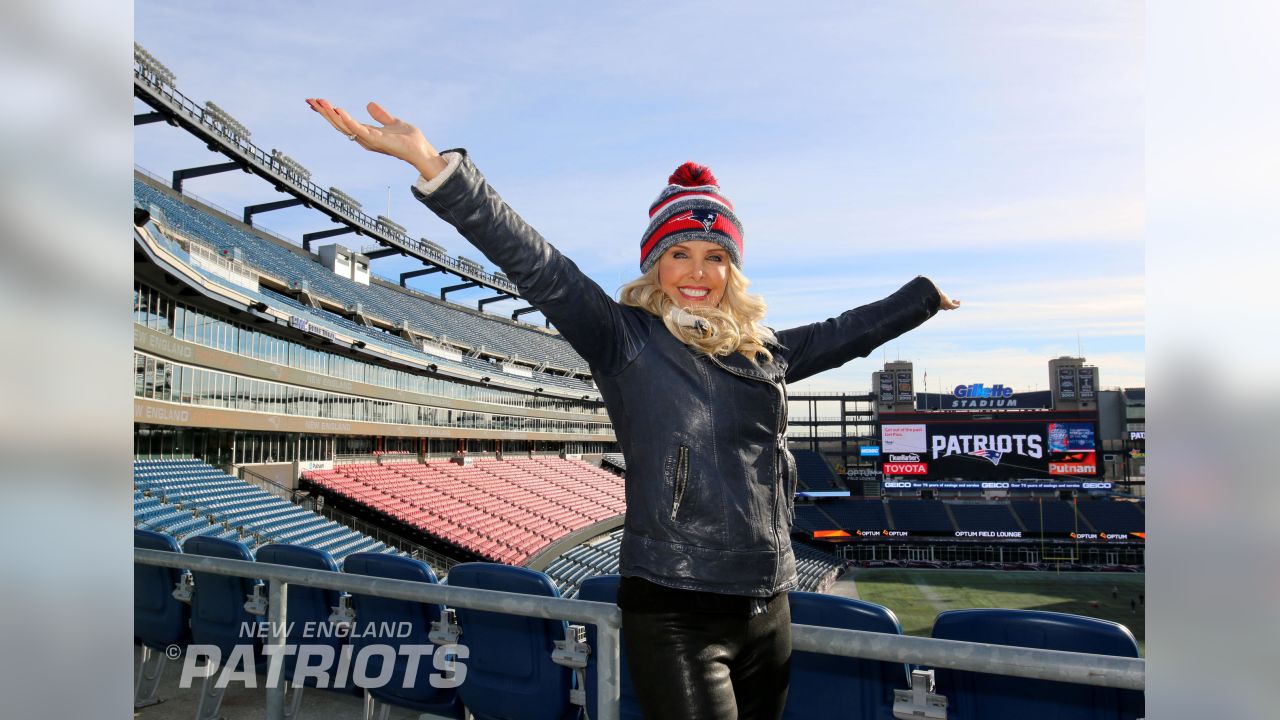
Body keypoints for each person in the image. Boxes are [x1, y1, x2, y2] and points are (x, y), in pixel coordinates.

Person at [306, 98, 960, 720]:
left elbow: (849, 331)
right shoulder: (625, 340)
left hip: (769, 605)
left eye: (714, 256)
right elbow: (540, 266)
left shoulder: (766, 353)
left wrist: (923, 295)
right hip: (675, 608)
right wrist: (436, 168)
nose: (697, 271)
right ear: (655, 262)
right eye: (680, 253)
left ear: (733, 269)